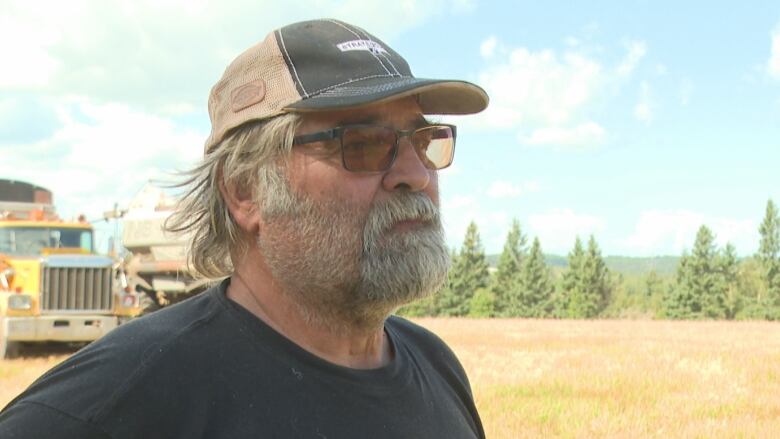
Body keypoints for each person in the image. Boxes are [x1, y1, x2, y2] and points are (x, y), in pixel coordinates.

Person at [0, 18, 489, 438]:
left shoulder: (437, 366)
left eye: (425, 140)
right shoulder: (121, 403)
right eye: (361, 144)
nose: (417, 174)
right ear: (244, 190)